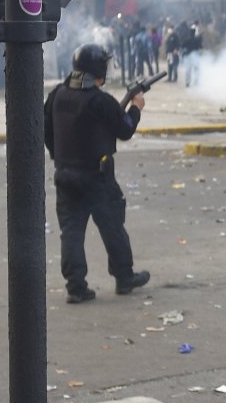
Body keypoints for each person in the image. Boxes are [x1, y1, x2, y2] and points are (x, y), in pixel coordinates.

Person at [43, 43, 151, 304]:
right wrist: (136, 107)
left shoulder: (57, 94)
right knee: (113, 227)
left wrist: (61, 159)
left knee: (71, 232)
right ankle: (124, 277)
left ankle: (76, 287)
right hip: (97, 177)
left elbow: (46, 132)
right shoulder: (100, 101)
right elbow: (125, 129)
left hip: (65, 175)